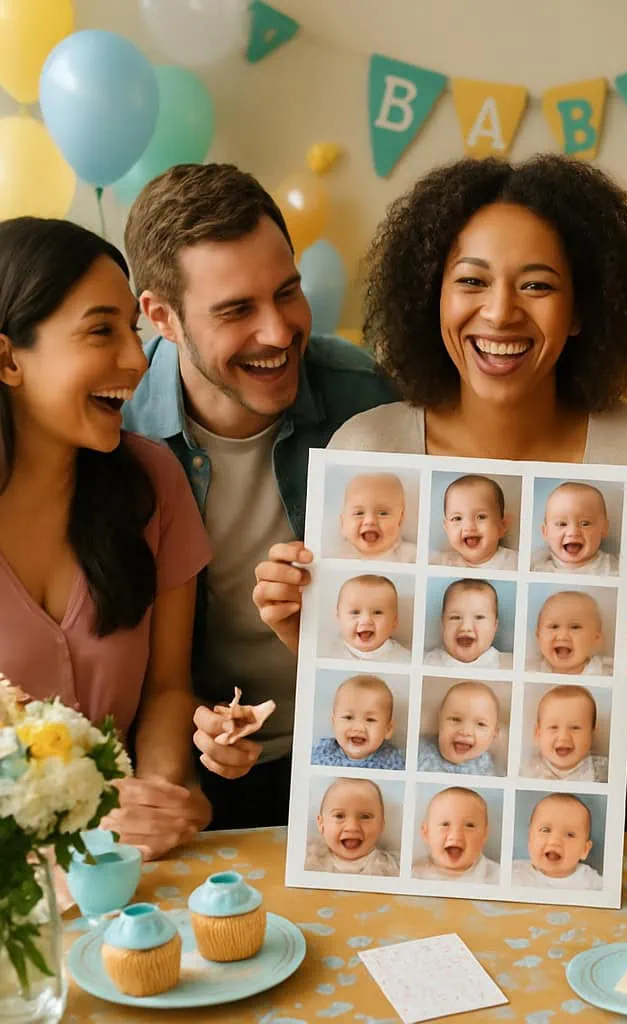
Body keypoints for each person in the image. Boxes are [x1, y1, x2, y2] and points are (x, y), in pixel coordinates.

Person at [249, 156, 627, 814]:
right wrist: (305, 632)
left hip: (590, 818)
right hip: (405, 815)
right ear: (431, 295)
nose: (500, 313)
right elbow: (360, 680)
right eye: (471, 280)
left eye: (537, 286)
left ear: (583, 309)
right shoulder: (369, 451)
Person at [120, 163, 395, 828]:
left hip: (362, 760)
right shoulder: (118, 432)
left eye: (287, 292)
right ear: (162, 316)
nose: (278, 332)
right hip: (200, 774)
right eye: (237, 310)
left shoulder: (366, 398)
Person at [0, 217, 212, 859]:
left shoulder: (154, 482)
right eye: (101, 331)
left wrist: (155, 794)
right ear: (8, 358)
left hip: (124, 874)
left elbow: (169, 688)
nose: (135, 360)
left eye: (133, 330)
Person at [305, 777, 399, 876]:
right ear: (321, 824)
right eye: (339, 816)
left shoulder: (392, 868)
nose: (352, 827)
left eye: (365, 817)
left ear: (381, 825)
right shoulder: (309, 862)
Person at [311, 674, 404, 769]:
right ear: (333, 723)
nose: (358, 727)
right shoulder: (321, 753)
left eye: (370, 720)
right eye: (348, 717)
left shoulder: (391, 762)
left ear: (388, 729)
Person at [511, 794, 602, 890]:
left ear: (585, 850)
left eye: (569, 835)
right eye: (545, 830)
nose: (555, 841)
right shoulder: (516, 873)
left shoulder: (590, 881)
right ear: (530, 838)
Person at [521, 684, 609, 782]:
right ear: (538, 734)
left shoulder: (603, 772)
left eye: (575, 728)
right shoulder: (527, 772)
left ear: (591, 734)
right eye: (553, 727)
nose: (563, 737)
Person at [412, 787, 499, 883]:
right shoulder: (414, 873)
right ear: (426, 833)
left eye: (469, 826)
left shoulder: (498, 877)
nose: (456, 836)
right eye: (445, 824)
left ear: (484, 834)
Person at [417, 680, 502, 775]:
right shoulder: (419, 750)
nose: (465, 731)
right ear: (439, 722)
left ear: (494, 735)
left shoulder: (487, 770)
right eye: (455, 719)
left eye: (480, 724)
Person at [533, 482, 618, 575]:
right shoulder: (538, 566)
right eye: (562, 524)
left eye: (585, 524)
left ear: (604, 528)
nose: (573, 532)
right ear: (545, 532)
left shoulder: (611, 568)